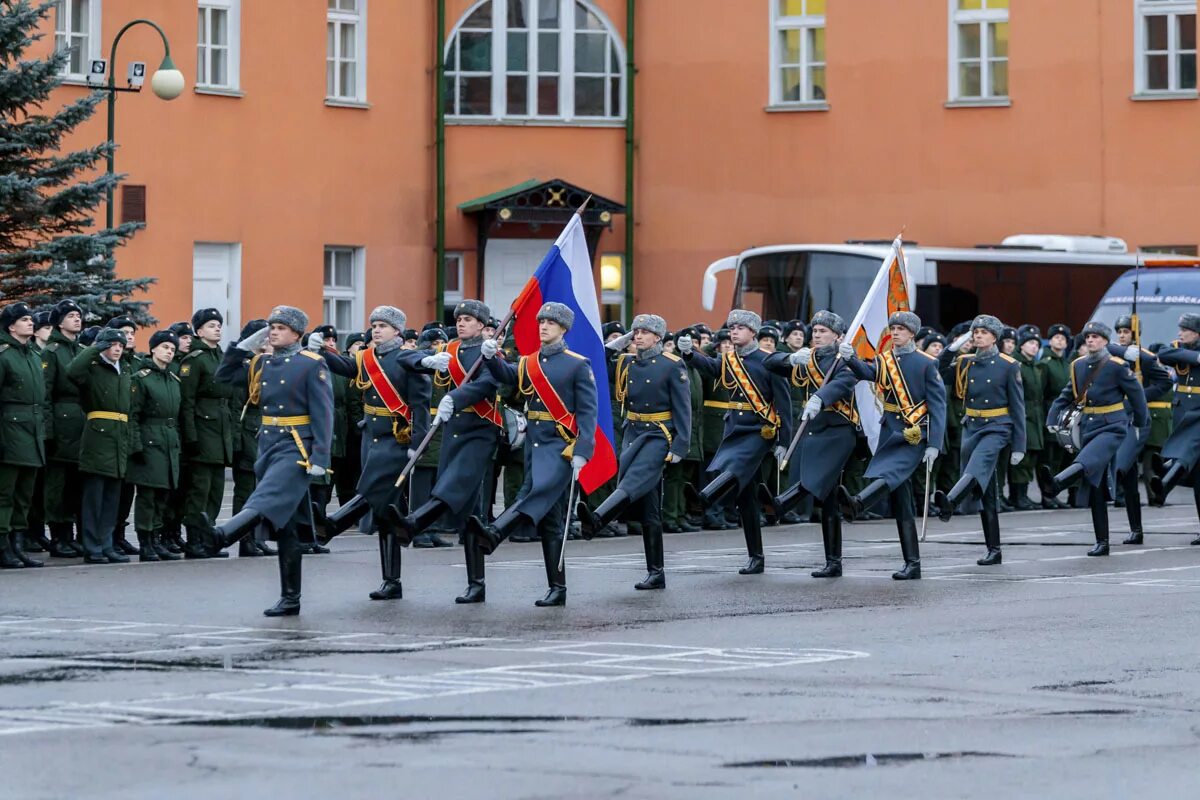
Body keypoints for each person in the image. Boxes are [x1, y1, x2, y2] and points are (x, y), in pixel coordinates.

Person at [206, 306, 334, 616]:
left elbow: (323, 412)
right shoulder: (262, 362)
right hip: (268, 445)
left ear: (297, 334)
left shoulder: (310, 364)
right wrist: (243, 346)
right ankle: (290, 597)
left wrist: (320, 456)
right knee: (286, 526)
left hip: (296, 447)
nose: (273, 331)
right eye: (271, 327)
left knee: (267, 496)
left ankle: (223, 535)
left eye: (280, 327)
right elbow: (222, 377)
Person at [469, 302, 598, 607]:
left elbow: (589, 413)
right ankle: (557, 588)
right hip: (534, 444)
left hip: (560, 446)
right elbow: (508, 377)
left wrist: (583, 450)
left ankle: (494, 533)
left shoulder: (578, 364)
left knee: (535, 493)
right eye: (541, 322)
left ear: (563, 329)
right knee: (551, 522)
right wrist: (490, 357)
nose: (543, 327)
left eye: (550, 323)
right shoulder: (529, 362)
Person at [312, 306, 436, 601]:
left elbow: (420, 406)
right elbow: (345, 367)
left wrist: (417, 446)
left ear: (397, 330)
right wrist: (323, 352)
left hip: (397, 440)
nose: (376, 330)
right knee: (385, 513)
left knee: (371, 490)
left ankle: (333, 524)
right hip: (372, 438)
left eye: (382, 325)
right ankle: (392, 581)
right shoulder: (367, 358)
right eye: (374, 325)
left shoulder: (406, 358)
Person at [392, 300, 501, 602]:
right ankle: (476, 583)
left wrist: (456, 396)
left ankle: (414, 524)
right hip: (453, 432)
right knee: (469, 513)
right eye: (459, 319)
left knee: (454, 485)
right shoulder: (449, 349)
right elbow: (403, 358)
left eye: (468, 319)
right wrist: (425, 362)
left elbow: (489, 382)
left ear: (481, 324)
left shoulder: (489, 352)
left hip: (479, 430)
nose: (462, 323)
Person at [578, 314, 691, 590]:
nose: (638, 336)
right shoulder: (627, 362)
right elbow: (594, 361)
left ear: (658, 337)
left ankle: (598, 519)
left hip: (658, 435)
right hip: (633, 433)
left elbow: (683, 409)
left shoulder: (672, 365)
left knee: (634, 480)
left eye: (644, 332)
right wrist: (619, 344)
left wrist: (680, 444)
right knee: (650, 509)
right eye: (635, 332)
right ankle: (657, 572)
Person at [677, 310, 792, 575]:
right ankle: (756, 557)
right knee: (746, 497)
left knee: (734, 466)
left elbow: (784, 403)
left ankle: (705, 499)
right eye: (732, 328)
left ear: (753, 332)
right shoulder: (729, 360)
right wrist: (689, 354)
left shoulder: (769, 360)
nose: (734, 332)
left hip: (760, 429)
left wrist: (784, 441)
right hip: (735, 428)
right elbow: (710, 367)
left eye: (740, 327)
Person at [836, 311, 947, 580]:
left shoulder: (926, 363)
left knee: (890, 474)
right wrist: (850, 357)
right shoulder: (885, 359)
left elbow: (938, 406)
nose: (895, 332)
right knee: (902, 501)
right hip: (890, 431)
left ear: (912, 333)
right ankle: (913, 563)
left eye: (901, 329)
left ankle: (859, 504)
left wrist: (934, 444)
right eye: (893, 328)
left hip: (913, 433)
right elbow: (869, 374)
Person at [758, 310, 857, 577]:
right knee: (828, 499)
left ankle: (780, 505)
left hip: (838, 431)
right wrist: (790, 357)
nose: (817, 335)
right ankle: (833, 562)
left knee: (816, 480)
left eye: (823, 331)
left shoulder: (844, 359)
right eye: (815, 331)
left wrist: (821, 397)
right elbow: (770, 363)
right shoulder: (807, 357)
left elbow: (845, 383)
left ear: (837, 336)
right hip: (813, 430)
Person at [1042, 321, 1149, 556]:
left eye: (1095, 337)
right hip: (1089, 426)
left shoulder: (1117, 366)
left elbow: (1137, 396)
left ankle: (1058, 483)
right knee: (1096, 486)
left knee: (1087, 460)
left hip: (1113, 426)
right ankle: (1102, 542)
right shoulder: (1078, 365)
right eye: (1087, 337)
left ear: (1104, 341)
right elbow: (1066, 394)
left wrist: (1141, 424)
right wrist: (1052, 418)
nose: (1090, 340)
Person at [932, 315, 1026, 566]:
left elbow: (1018, 408)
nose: (977, 336)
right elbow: (936, 372)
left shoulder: (1009, 365)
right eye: (975, 332)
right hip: (971, 426)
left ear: (994, 337)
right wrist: (951, 349)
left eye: (983, 332)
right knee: (985, 490)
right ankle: (994, 549)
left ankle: (950, 501)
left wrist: (1019, 445)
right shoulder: (964, 362)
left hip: (998, 427)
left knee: (977, 465)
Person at [67, 327, 133, 564]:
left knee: (112, 498)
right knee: (94, 497)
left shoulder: (124, 370)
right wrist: (95, 347)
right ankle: (92, 545)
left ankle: (107, 544)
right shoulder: (93, 367)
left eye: (121, 345)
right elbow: (72, 371)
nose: (117, 348)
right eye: (112, 344)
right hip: (98, 435)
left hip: (119, 436)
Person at [1108, 315, 1171, 544]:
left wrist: (1138, 396)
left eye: (1127, 331)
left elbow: (1164, 383)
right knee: (1129, 477)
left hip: (1135, 418)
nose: (1122, 335)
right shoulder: (1112, 354)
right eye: (1120, 331)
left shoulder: (1144, 358)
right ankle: (1136, 529)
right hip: (1113, 418)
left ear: (1136, 334)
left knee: (1123, 467)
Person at [178, 308, 234, 559]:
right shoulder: (196, 359)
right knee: (199, 489)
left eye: (219, 325)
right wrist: (191, 436)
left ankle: (208, 536)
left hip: (220, 429)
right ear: (199, 331)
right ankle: (194, 540)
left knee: (215, 489)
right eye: (212, 325)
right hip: (202, 428)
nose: (217, 329)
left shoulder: (220, 356)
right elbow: (187, 401)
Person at [128, 331, 184, 562]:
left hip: (168, 441)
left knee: (163, 494)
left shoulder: (173, 379)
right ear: (153, 349)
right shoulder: (141, 378)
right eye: (164, 347)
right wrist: (136, 445)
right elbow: (133, 415)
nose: (169, 352)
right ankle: (145, 541)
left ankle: (157, 538)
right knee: (148, 495)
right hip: (150, 440)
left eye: (172, 349)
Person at [0, 303, 48, 569]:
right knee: (4, 494)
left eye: (31, 319)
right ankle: (3, 547)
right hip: (9, 431)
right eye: (24, 320)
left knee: (23, 494)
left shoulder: (31, 354)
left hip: (31, 433)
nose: (31, 323)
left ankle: (17, 546)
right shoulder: (4, 354)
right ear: (11, 326)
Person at [40, 299, 87, 558]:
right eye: (71, 315)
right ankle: (59, 536)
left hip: (80, 422)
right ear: (59, 322)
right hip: (61, 420)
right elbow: (45, 393)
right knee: (58, 484)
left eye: (78, 315)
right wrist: (48, 430)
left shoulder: (81, 349)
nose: (77, 319)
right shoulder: (52, 351)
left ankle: (74, 536)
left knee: (76, 484)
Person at [1149, 314, 1200, 546]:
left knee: (1186, 451)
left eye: (1185, 330)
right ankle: (1167, 473)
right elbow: (1163, 353)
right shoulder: (1179, 349)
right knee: (1198, 478)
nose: (1180, 333)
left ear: (1196, 332)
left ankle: (1165, 481)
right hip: (1183, 415)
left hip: (1199, 414)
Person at [226, 319, 275, 558]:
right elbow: (237, 408)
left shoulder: (266, 364)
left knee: (261, 490)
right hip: (248, 434)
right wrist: (237, 441)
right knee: (246, 490)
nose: (268, 340)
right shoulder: (245, 368)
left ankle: (258, 537)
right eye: (263, 337)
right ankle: (245, 539)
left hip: (264, 433)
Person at [1009, 325, 1046, 510]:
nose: (1034, 347)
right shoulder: (1017, 364)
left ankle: (1023, 496)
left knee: (1031, 457)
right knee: (1022, 458)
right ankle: (1018, 497)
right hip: (1023, 416)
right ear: (1021, 345)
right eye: (1030, 343)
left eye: (1036, 343)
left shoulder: (1034, 366)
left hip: (1035, 417)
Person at [1039, 323, 1074, 509]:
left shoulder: (1067, 364)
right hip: (1049, 411)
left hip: (1065, 416)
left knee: (1059, 457)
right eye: (1056, 337)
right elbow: (1041, 392)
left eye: (1063, 338)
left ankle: (1054, 492)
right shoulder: (1045, 363)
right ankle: (1046, 495)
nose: (1059, 340)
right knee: (1048, 458)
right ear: (1050, 340)